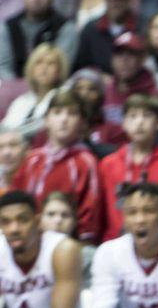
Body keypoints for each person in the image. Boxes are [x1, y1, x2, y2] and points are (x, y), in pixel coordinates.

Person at [12, 90, 103, 242]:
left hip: (70, 244)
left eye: (72, 114)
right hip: (29, 242)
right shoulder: (32, 159)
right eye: (57, 112)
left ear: (82, 122)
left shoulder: (86, 162)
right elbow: (17, 201)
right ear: (46, 119)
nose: (64, 119)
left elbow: (90, 214)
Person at [98, 95, 158, 239]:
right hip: (114, 243)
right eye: (132, 116)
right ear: (123, 123)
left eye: (146, 116)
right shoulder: (108, 164)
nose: (139, 122)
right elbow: (100, 211)